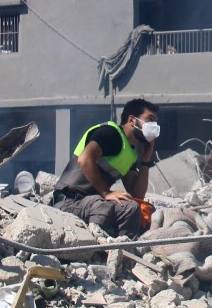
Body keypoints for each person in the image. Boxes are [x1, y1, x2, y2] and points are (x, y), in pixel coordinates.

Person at [52, 99, 161, 238]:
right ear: (132, 120)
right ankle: (96, 249)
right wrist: (106, 192)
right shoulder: (110, 133)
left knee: (132, 207)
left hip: (91, 202)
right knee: (104, 206)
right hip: (69, 200)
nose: (154, 126)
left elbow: (137, 195)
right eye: (149, 120)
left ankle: (125, 251)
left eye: (155, 122)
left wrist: (145, 161)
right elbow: (85, 159)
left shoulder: (131, 153)